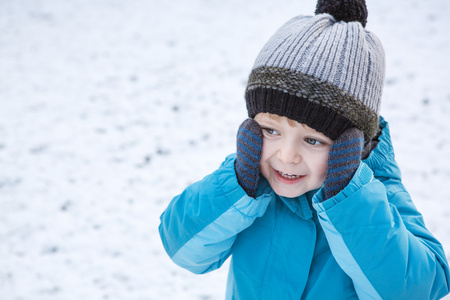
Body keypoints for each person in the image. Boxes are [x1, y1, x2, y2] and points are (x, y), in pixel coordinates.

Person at [159, 0, 450, 299]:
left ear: (352, 146)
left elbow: (418, 288)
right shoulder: (251, 187)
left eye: (313, 140)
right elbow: (183, 248)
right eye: (271, 131)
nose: (286, 156)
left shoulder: (380, 194)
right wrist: (236, 184)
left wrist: (350, 199)